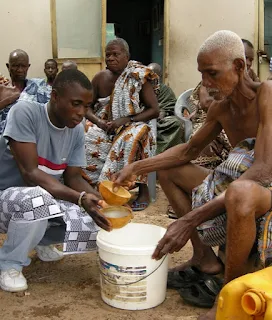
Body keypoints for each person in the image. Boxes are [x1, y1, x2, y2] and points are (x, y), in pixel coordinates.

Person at [112, 30, 272, 320]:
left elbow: (262, 170)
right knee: (169, 169)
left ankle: (228, 294)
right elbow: (188, 150)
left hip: (265, 186)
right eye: (202, 74)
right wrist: (138, 166)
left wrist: (189, 219)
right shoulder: (222, 108)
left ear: (239, 66)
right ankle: (205, 259)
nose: (206, 84)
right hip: (239, 180)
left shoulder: (267, 94)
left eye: (212, 73)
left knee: (240, 192)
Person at [0, 69, 111, 293]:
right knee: (39, 198)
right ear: (55, 96)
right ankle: (9, 263)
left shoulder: (77, 131)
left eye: (86, 106)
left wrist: (100, 202)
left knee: (93, 216)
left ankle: (42, 242)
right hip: (6, 201)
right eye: (76, 103)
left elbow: (72, 178)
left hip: (41, 201)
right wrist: (80, 198)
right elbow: (31, 174)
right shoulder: (26, 113)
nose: (81, 113)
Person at [83, 38, 159, 211]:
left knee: (138, 135)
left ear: (127, 56)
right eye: (108, 55)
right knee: (86, 133)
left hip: (133, 124)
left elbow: (154, 110)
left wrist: (127, 120)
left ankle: (143, 191)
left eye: (115, 54)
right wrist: (100, 123)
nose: (110, 58)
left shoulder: (137, 76)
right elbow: (86, 107)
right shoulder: (100, 78)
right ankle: (99, 189)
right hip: (106, 127)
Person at [0, 49, 51, 134]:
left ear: (28, 66)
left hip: (34, 138)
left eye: (23, 66)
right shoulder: (2, 90)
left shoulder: (40, 87)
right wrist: (9, 99)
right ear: (8, 66)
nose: (19, 70)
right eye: (15, 66)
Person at [147, 62, 184, 154]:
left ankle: (163, 153)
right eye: (149, 73)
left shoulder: (165, 89)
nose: (151, 76)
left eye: (154, 74)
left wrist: (163, 112)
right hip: (145, 117)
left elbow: (171, 104)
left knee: (176, 123)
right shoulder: (141, 87)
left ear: (159, 76)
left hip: (161, 121)